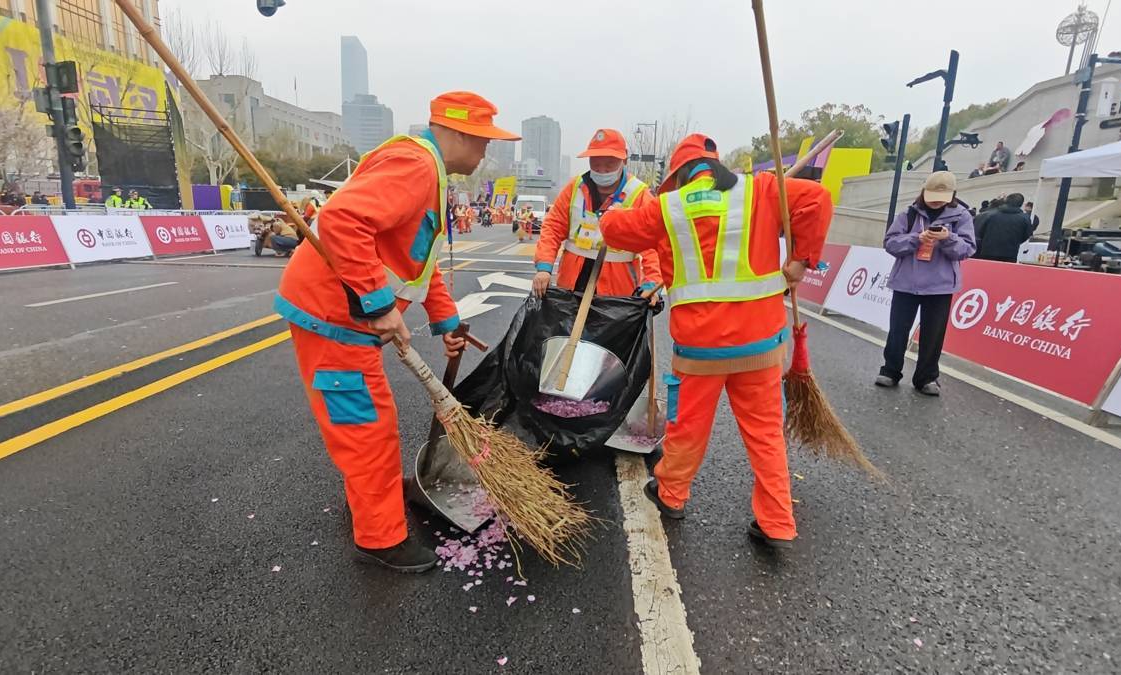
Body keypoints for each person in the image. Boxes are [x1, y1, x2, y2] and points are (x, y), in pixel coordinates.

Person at [275, 91, 518, 573]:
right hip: (332, 316)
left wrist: (447, 320)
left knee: (370, 422)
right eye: (484, 140)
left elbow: (419, 263)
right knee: (366, 428)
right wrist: (379, 302)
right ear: (459, 134)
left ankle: (376, 496)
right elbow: (343, 221)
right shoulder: (416, 166)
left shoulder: (429, 172)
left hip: (347, 319)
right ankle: (379, 537)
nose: (486, 151)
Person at [600, 134, 833, 550]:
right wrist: (800, 261)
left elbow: (617, 232)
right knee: (765, 433)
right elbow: (817, 199)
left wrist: (612, 212)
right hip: (760, 344)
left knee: (688, 427)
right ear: (716, 165)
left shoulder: (667, 207)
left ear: (678, 175)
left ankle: (671, 495)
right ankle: (777, 520)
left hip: (699, 348)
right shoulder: (761, 189)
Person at [876, 171, 976, 396]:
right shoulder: (909, 214)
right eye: (932, 196)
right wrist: (916, 238)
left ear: (952, 195)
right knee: (898, 330)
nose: (936, 201)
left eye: (942, 197)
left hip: (940, 285)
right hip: (906, 281)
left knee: (933, 334)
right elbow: (890, 243)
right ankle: (890, 370)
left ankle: (927, 377)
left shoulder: (961, 217)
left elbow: (967, 249)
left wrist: (948, 238)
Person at [532, 129, 662, 299]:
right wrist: (544, 267)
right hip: (572, 285)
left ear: (624, 160)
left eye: (609, 164)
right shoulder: (575, 188)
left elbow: (653, 242)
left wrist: (652, 283)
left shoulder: (638, 194)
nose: (602, 170)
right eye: (596, 163)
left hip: (617, 291)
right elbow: (553, 227)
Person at [973, 192, 1035, 263]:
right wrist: (1015, 241)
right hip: (1010, 253)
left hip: (987, 251)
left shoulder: (990, 214)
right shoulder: (1025, 218)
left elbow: (980, 231)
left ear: (1006, 201)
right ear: (1021, 204)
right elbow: (1027, 235)